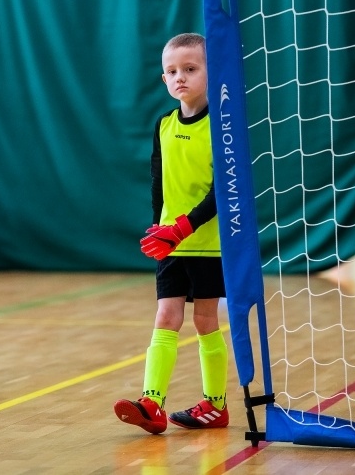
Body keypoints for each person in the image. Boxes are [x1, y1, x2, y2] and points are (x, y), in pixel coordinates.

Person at [113, 33, 229, 434]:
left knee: (204, 320)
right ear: (163, 79)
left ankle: (216, 404)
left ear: (210, 73)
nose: (180, 77)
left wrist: (183, 227)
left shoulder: (221, 125)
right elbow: (158, 182)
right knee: (165, 316)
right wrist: (159, 227)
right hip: (171, 242)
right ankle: (152, 403)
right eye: (172, 71)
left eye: (191, 69)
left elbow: (223, 193)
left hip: (207, 243)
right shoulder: (163, 125)